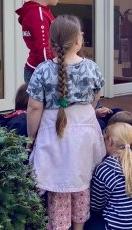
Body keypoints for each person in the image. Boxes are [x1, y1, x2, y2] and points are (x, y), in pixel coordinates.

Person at [26, 15, 106, 230]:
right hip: (85, 130)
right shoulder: (92, 68)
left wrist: (31, 137)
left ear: (52, 42)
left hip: (53, 131)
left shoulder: (42, 70)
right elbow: (95, 98)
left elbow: (34, 107)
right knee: (81, 184)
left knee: (58, 187)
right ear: (78, 40)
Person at [89, 122, 132, 230]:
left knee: (89, 219)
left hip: (118, 227)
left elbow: (96, 205)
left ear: (109, 141)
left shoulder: (104, 169)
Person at [17, 0, 61, 83]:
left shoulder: (39, 12)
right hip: (40, 71)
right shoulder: (38, 15)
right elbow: (43, 48)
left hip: (37, 68)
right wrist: (51, 71)